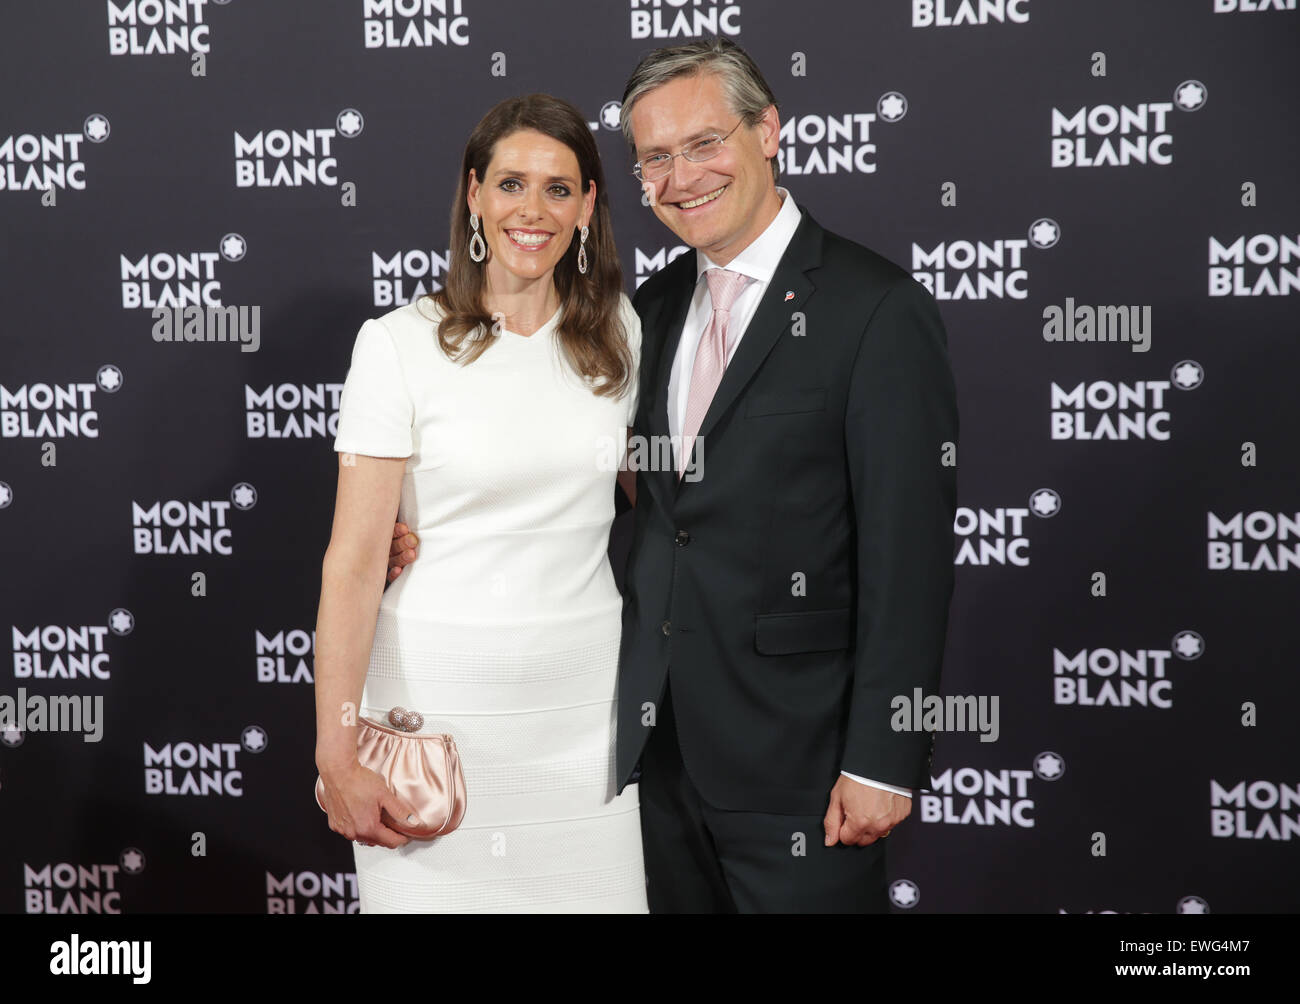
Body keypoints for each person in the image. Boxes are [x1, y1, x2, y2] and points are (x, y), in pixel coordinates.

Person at [392, 38, 958, 913]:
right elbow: (613, 497)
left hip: (803, 772)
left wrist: (883, 757)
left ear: (769, 132)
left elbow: (909, 559)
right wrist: (433, 537)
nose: (680, 175)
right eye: (654, 157)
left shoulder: (875, 309)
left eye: (703, 143)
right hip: (649, 763)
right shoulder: (639, 317)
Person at [314, 93, 647, 913]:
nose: (532, 210)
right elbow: (355, 561)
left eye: (559, 188)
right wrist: (335, 752)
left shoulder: (624, 337)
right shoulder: (396, 346)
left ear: (589, 206)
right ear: (473, 195)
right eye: (510, 184)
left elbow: (655, 506)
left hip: (586, 728)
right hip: (437, 724)